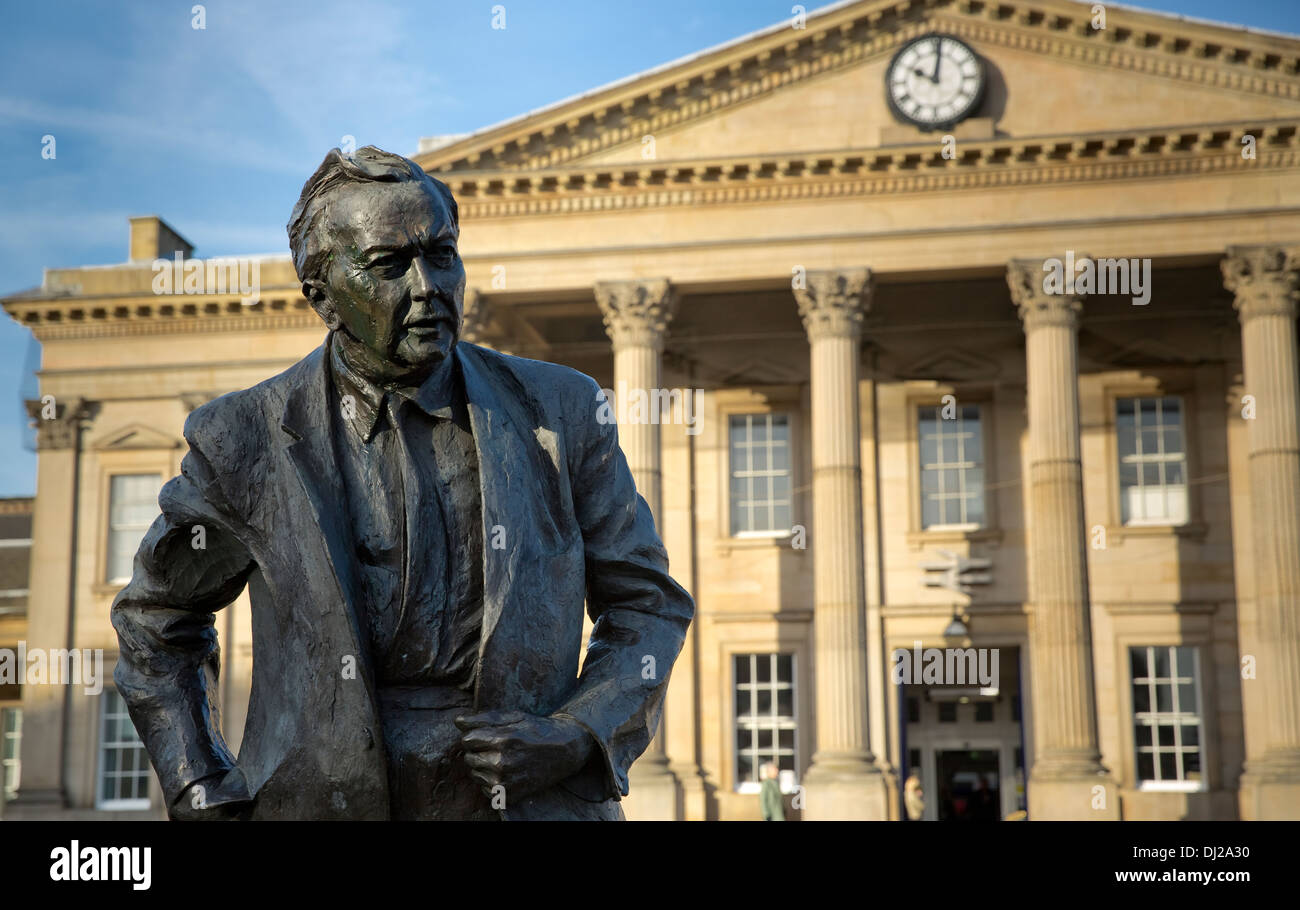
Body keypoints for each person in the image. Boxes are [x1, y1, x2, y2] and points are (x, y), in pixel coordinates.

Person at [111, 146, 695, 820]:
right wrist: (196, 782)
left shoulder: (561, 411)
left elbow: (647, 604)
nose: (428, 287)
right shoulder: (246, 438)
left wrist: (578, 735)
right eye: (389, 266)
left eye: (442, 254)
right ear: (322, 297)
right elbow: (156, 619)